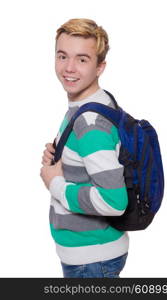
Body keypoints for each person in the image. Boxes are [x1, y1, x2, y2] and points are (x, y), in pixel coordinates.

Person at [40, 18, 129, 278]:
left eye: (82, 59)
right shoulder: (93, 104)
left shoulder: (90, 123)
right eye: (62, 56)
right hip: (93, 254)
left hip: (91, 259)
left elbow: (114, 202)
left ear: (100, 66)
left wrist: (54, 183)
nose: (69, 68)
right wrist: (62, 158)